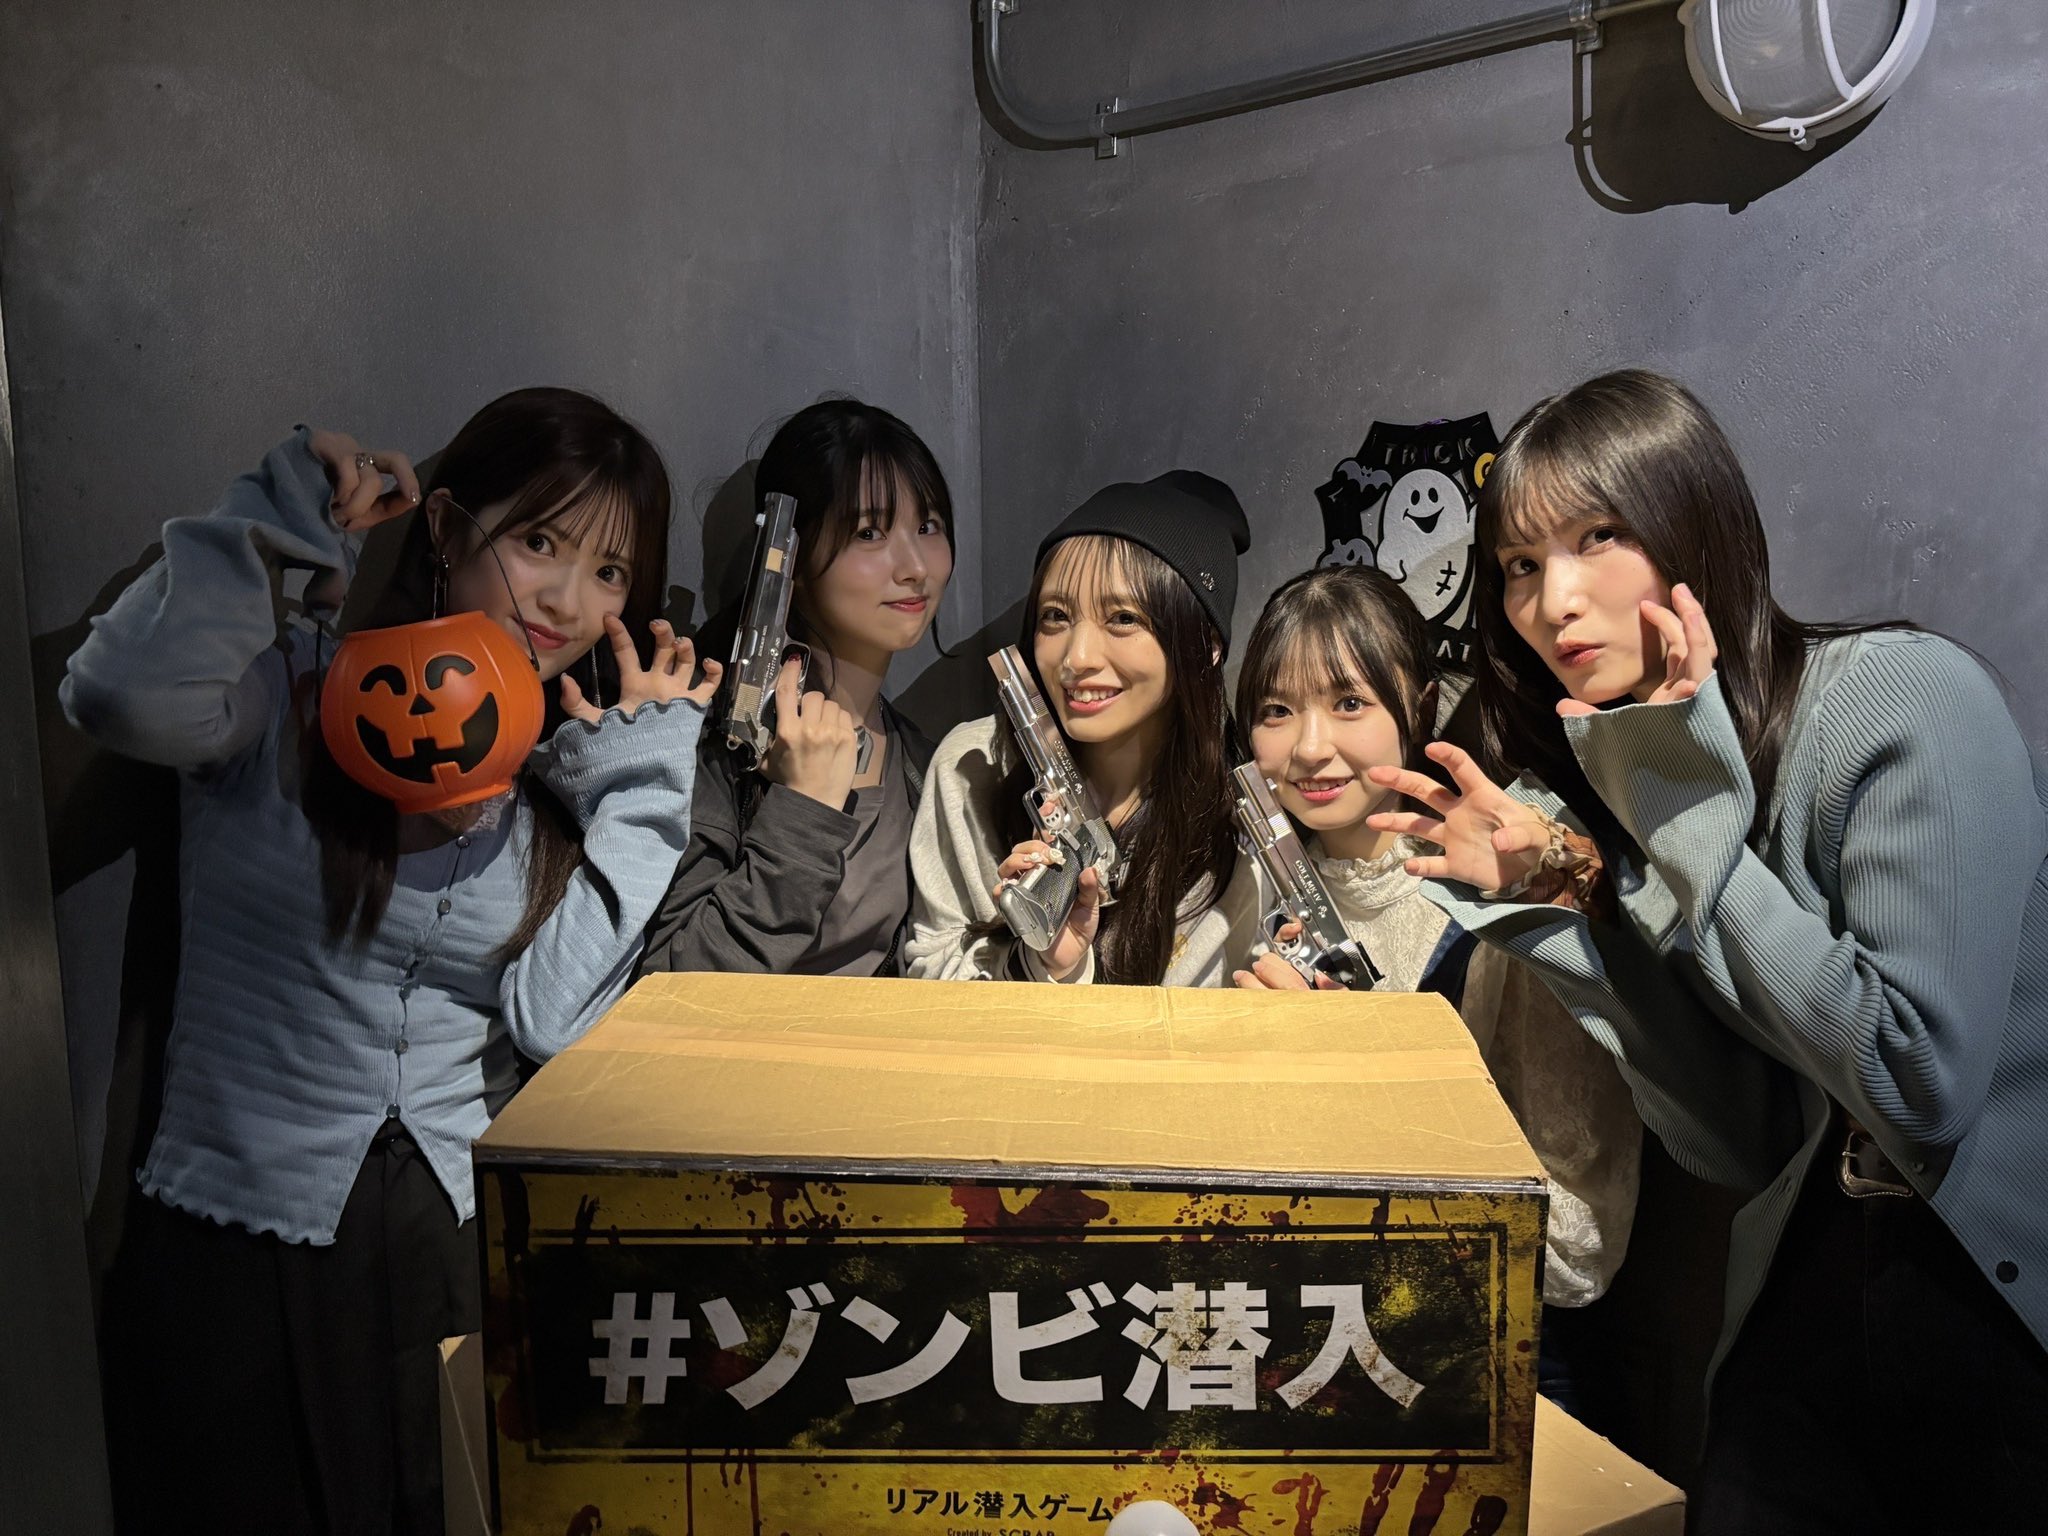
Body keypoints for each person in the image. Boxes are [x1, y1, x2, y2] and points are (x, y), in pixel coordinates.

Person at [1362, 369, 2048, 1533]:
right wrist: (1562, 912)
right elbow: (1741, 1138)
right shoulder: (1644, 775)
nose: (1552, 601)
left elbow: (1915, 1085)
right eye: (1518, 565)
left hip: (1994, 1312)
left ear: (1693, 528)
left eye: (1598, 536)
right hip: (1807, 1306)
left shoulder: (1899, 698)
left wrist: (1677, 817)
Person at [69, 388, 719, 1535]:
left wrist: (643, 779)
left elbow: (552, 1022)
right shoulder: (292, 688)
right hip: (237, 1230)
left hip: (445, 1247)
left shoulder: (554, 790)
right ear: (447, 528)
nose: (568, 601)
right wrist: (272, 513)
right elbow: (119, 697)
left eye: (611, 572)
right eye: (539, 543)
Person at [1229, 563, 1640, 1425]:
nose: (1309, 748)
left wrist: (1363, 1092)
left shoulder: (1498, 896)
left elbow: (1575, 1249)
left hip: (1488, 1368)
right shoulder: (1246, 891)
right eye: (1276, 709)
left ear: (1418, 708)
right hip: (1302, 1352)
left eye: (1349, 702)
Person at [905, 471, 1261, 985]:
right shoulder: (974, 765)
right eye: (1055, 616)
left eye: (1123, 618)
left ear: (1206, 644)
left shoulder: (1241, 823)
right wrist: (1037, 965)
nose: (1077, 657)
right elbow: (929, 970)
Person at [639, 399, 953, 977]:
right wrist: (803, 810)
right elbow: (675, 985)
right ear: (791, 559)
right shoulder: (719, 748)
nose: (914, 566)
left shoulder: (922, 764)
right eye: (869, 532)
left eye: (927, 527)